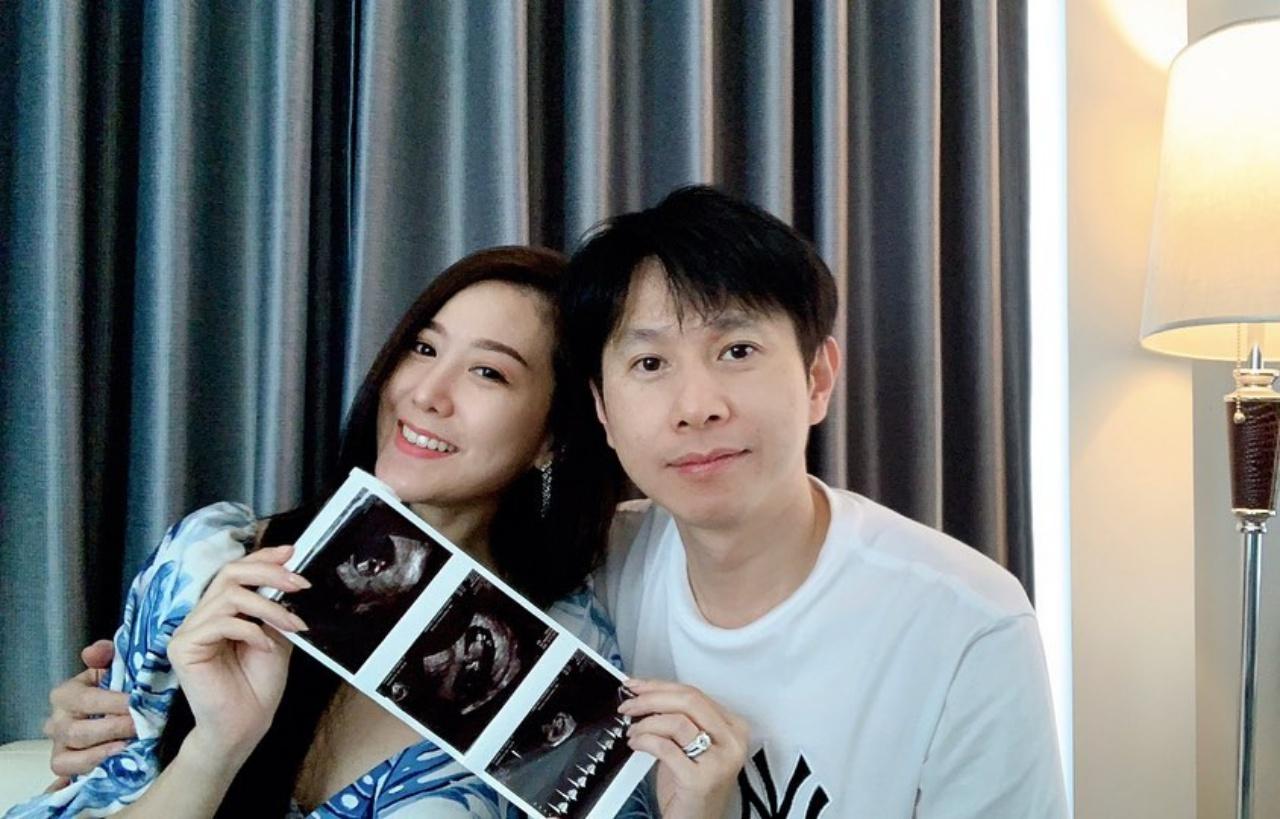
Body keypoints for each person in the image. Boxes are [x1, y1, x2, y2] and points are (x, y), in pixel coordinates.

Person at [11, 247, 672, 818]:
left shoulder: (564, 663)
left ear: (553, 437)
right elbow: (87, 787)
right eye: (423, 347)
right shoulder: (214, 562)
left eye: (487, 372)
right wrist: (213, 748)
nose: (426, 393)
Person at [559, 186, 1070, 817]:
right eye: (649, 363)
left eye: (736, 351)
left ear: (818, 379)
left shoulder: (966, 623)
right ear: (603, 410)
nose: (696, 407)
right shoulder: (591, 574)